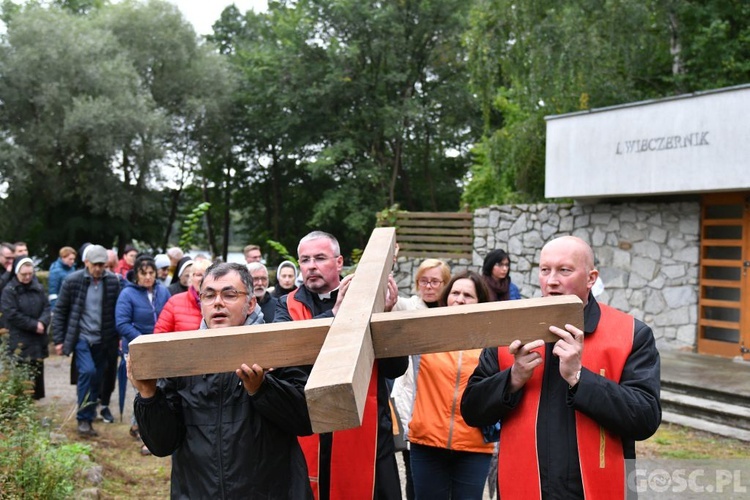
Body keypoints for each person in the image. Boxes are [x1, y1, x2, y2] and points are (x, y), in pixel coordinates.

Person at [461, 236, 661, 499]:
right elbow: (472, 411)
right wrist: (512, 378)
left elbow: (645, 419)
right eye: (545, 270)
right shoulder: (509, 329)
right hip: (524, 488)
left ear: (591, 278)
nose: (551, 280)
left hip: (596, 490)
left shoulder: (631, 334)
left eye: (564, 270)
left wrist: (580, 378)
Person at [130, 262, 314, 498]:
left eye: (229, 294)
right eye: (209, 295)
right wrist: (148, 396)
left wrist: (262, 390)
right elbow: (162, 444)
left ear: (250, 303)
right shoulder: (182, 359)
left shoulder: (276, 351)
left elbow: (305, 420)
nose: (217, 302)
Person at [275, 230, 405, 500]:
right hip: (308, 426)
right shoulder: (284, 306)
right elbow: (289, 360)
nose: (311, 266)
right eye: (305, 259)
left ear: (339, 262)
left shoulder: (370, 301)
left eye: (320, 258)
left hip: (366, 427)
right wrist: (333, 316)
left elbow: (395, 369)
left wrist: (387, 319)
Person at [406, 271, 495, 499]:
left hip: (473, 446)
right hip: (426, 442)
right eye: (455, 293)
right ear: (446, 297)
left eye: (468, 295)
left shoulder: (492, 342)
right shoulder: (427, 333)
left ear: (480, 302)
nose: (460, 299)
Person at [391, 258, 451, 500]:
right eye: (423, 281)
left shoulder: (452, 310)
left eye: (434, 281)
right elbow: (389, 301)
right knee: (414, 468)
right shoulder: (408, 307)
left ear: (445, 283)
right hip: (413, 399)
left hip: (444, 399)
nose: (428, 286)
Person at [52, 244, 121, 437]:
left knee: (97, 378)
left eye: (102, 265)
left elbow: (116, 311)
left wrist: (119, 338)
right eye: (95, 264)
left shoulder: (112, 282)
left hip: (103, 339)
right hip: (81, 337)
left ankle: (89, 417)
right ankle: (83, 419)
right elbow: (60, 311)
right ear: (86, 263)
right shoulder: (72, 281)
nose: (98, 269)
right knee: (88, 372)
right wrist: (59, 340)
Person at [116, 255, 170, 453]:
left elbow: (168, 314)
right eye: (144, 273)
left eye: (151, 273)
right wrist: (142, 340)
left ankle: (137, 424)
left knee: (157, 387)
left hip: (158, 347)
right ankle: (142, 428)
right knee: (140, 388)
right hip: (137, 348)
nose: (148, 277)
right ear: (136, 275)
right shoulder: (127, 294)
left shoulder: (162, 291)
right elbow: (122, 323)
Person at [1, 256, 51, 399]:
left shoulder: (38, 288)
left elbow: (47, 307)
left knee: (36, 376)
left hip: (37, 340)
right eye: (24, 274)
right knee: (21, 379)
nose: (28, 277)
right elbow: (11, 313)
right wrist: (34, 325)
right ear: (17, 273)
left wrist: (43, 321)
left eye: (30, 274)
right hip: (19, 339)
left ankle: (36, 405)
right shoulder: (9, 290)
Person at [154, 258, 211, 333]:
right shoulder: (174, 302)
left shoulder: (219, 302)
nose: (202, 279)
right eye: (199, 275)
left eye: (206, 275)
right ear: (191, 277)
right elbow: (159, 334)